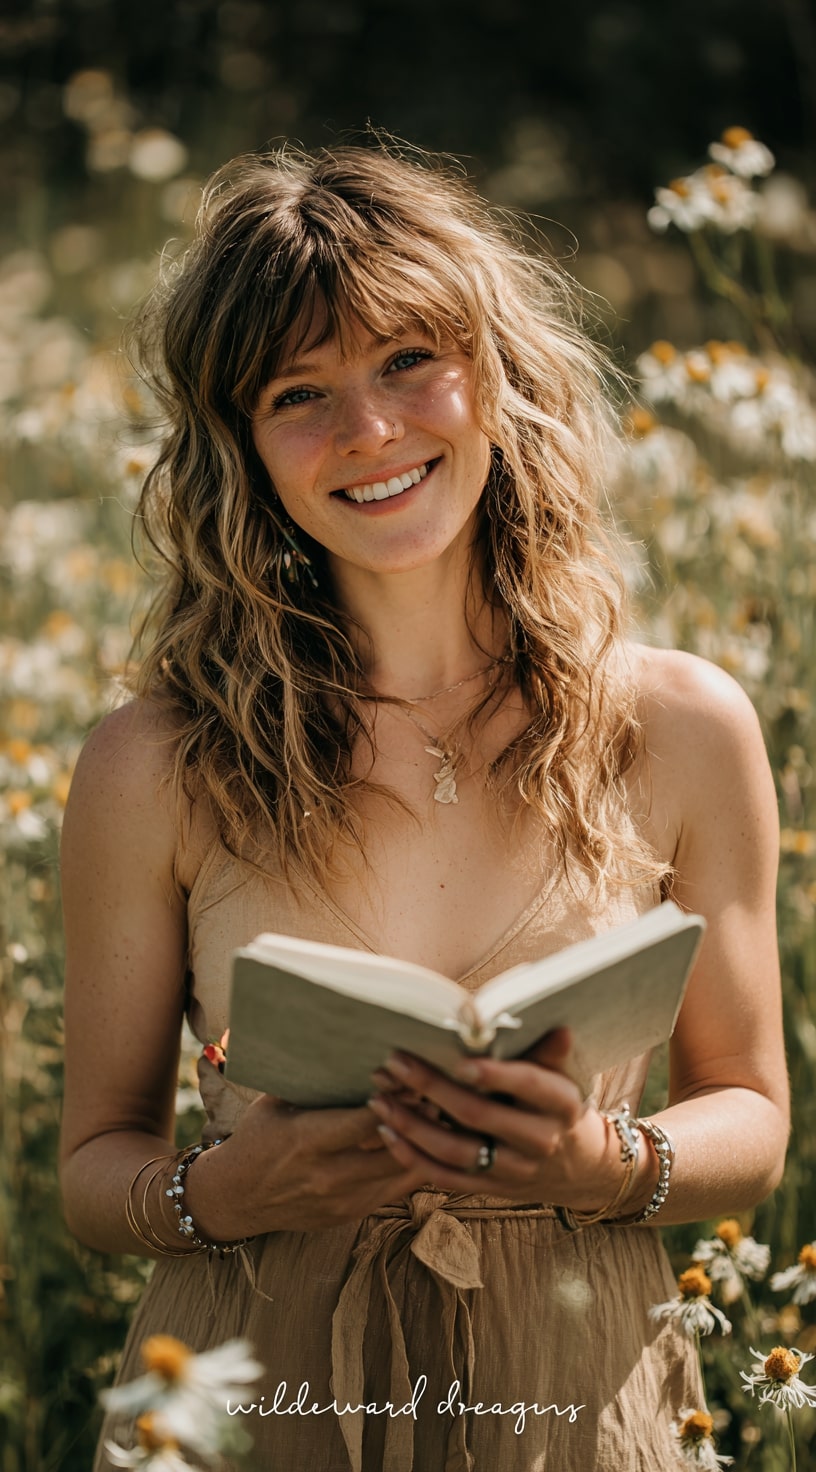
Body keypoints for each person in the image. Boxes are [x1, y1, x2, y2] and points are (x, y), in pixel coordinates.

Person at [59, 141, 789, 1472]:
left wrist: (605, 1166)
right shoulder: (152, 761)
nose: (372, 431)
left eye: (409, 360)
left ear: (497, 375)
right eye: (301, 393)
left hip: (573, 1393)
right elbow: (95, 1167)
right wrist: (218, 1195)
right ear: (240, 450)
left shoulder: (683, 727)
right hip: (253, 1393)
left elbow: (750, 1111)